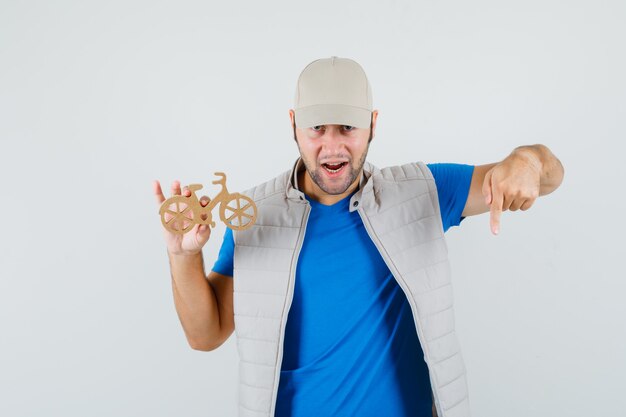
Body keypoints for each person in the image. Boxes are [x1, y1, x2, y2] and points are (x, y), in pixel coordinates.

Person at [153, 56, 564, 417]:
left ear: (373, 125)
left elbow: (549, 175)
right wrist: (182, 254)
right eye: (317, 129)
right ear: (294, 125)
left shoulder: (421, 192)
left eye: (347, 127)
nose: (333, 148)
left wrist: (527, 161)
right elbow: (204, 335)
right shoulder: (256, 215)